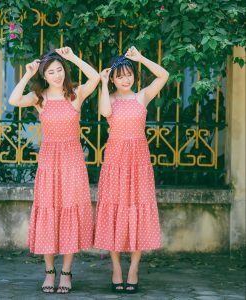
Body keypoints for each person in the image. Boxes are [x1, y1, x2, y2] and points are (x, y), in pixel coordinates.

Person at [8, 47, 100, 293]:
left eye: (60, 70)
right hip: (49, 163)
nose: (57, 75)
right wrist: (27, 75)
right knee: (49, 212)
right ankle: (49, 272)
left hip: (72, 161)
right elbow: (14, 100)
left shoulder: (75, 95)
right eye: (51, 72)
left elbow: (96, 78)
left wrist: (72, 57)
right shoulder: (40, 98)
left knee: (69, 211)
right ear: (44, 76)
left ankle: (67, 273)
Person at [94, 46, 169, 293]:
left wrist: (141, 58)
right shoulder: (111, 98)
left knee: (138, 209)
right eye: (120, 76)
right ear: (114, 79)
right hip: (115, 160)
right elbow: (104, 111)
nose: (125, 80)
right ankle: (116, 267)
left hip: (139, 162)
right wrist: (103, 83)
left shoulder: (142, 97)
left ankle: (134, 268)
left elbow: (164, 76)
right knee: (114, 209)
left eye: (129, 75)